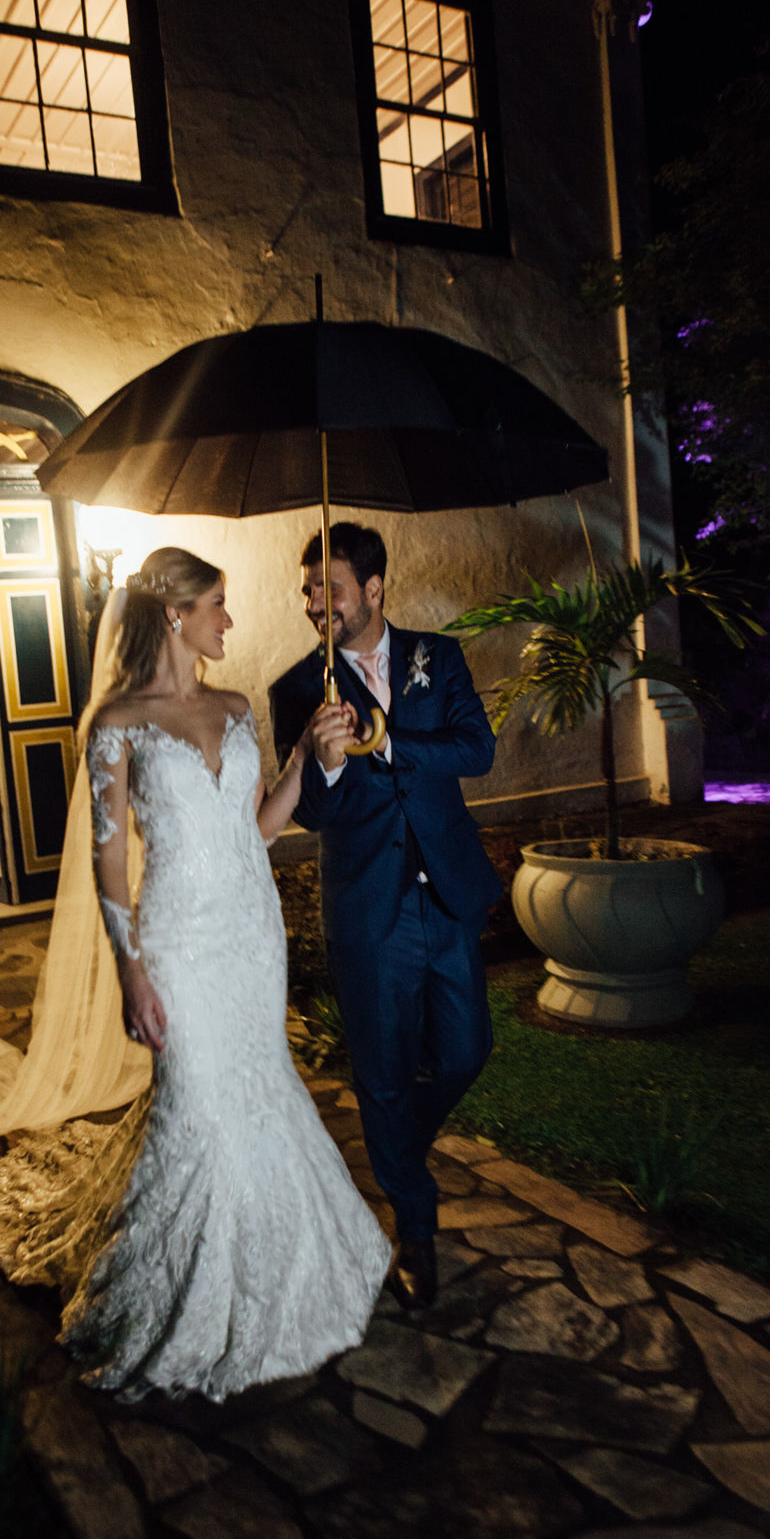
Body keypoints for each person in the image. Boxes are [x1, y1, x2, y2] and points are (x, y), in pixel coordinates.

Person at [0, 546, 391, 1403]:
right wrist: (131, 971)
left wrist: (312, 758)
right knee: (197, 1107)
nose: (229, 622)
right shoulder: (115, 724)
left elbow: (261, 828)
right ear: (175, 615)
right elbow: (109, 859)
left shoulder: (236, 708)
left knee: (260, 1090)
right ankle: (181, 1300)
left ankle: (280, 1273)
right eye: (218, 606)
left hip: (250, 932)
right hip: (177, 941)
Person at [269, 522, 501, 1310]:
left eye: (327, 589)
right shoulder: (298, 689)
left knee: (466, 1052)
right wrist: (328, 762)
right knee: (381, 1073)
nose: (313, 604)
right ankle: (416, 1227)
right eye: (306, 590)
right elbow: (313, 817)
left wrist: (390, 739)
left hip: (448, 894)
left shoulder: (441, 658)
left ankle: (397, 1145)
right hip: (369, 910)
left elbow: (477, 749)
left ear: (372, 590)